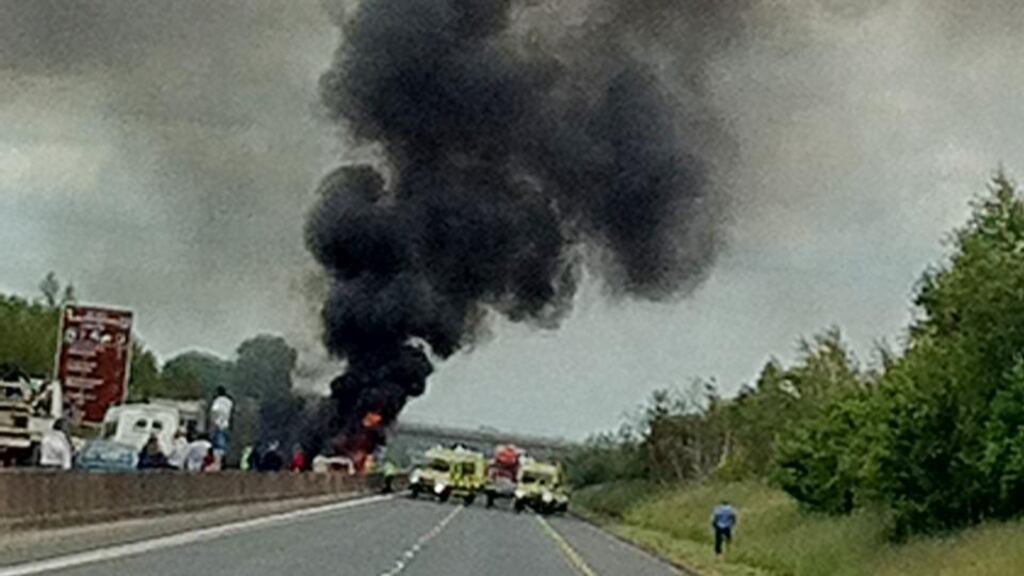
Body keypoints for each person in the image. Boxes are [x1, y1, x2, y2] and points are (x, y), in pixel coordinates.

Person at [208, 386, 234, 465]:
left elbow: (214, 411)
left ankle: (218, 462)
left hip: (218, 424)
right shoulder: (229, 401)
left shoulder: (217, 401)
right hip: (226, 424)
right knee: (224, 444)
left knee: (218, 444)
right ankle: (223, 460)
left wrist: (213, 421)